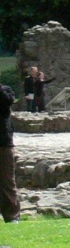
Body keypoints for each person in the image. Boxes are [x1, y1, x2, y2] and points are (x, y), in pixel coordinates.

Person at [0, 82, 17, 222]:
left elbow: (6, 103)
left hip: (3, 144)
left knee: (7, 181)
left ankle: (12, 216)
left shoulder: (6, 90)